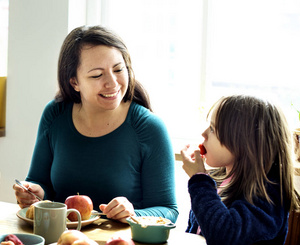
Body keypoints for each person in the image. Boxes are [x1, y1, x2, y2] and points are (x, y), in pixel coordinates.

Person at [13, 25, 178, 223]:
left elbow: (168, 210)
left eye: (118, 69)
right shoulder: (55, 115)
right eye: (97, 75)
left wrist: (133, 213)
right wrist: (34, 192)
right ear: (74, 82)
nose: (113, 83)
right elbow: (40, 184)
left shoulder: (149, 128)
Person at [180, 95, 300, 245]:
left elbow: (223, 237)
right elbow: (195, 233)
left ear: (244, 143)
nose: (203, 134)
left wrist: (199, 180)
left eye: (212, 129)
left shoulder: (267, 195)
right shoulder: (215, 180)